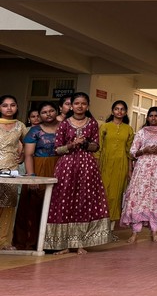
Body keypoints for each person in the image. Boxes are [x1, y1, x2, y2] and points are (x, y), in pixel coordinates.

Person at [43, 92, 114, 254]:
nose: (80, 106)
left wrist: (85, 143)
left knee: (84, 201)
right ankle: (65, 244)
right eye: (76, 103)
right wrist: (72, 144)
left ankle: (80, 242)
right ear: (71, 106)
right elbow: (57, 149)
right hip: (67, 167)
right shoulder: (64, 124)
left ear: (87, 106)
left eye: (83, 103)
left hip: (87, 167)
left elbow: (96, 147)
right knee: (64, 201)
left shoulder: (93, 124)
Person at [121, 107, 157, 243]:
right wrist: (144, 150)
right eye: (151, 116)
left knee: (156, 198)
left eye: (156, 116)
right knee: (139, 198)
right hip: (143, 169)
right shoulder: (141, 133)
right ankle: (135, 233)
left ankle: (154, 231)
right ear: (147, 118)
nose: (153, 118)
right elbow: (133, 152)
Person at [13, 101, 60, 250]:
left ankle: (54, 243)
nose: (48, 114)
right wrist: (31, 176)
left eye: (51, 111)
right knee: (33, 205)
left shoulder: (63, 128)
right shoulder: (34, 131)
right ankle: (30, 242)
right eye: (44, 112)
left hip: (59, 167)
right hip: (38, 167)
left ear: (57, 112)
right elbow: (28, 155)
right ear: (39, 115)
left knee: (56, 205)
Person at [98, 100, 135, 228]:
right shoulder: (105, 126)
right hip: (105, 163)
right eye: (117, 109)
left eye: (122, 109)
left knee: (117, 194)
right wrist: (96, 165)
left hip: (121, 164)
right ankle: (100, 225)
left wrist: (130, 170)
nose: (119, 111)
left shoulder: (129, 129)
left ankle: (111, 227)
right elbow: (99, 147)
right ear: (112, 111)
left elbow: (130, 151)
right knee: (104, 193)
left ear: (125, 112)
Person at [0, 95, 25, 250]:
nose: (9, 108)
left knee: (8, 206)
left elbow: (28, 145)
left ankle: (4, 241)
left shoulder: (20, 126)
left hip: (11, 169)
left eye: (12, 105)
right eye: (4, 105)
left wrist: (22, 156)